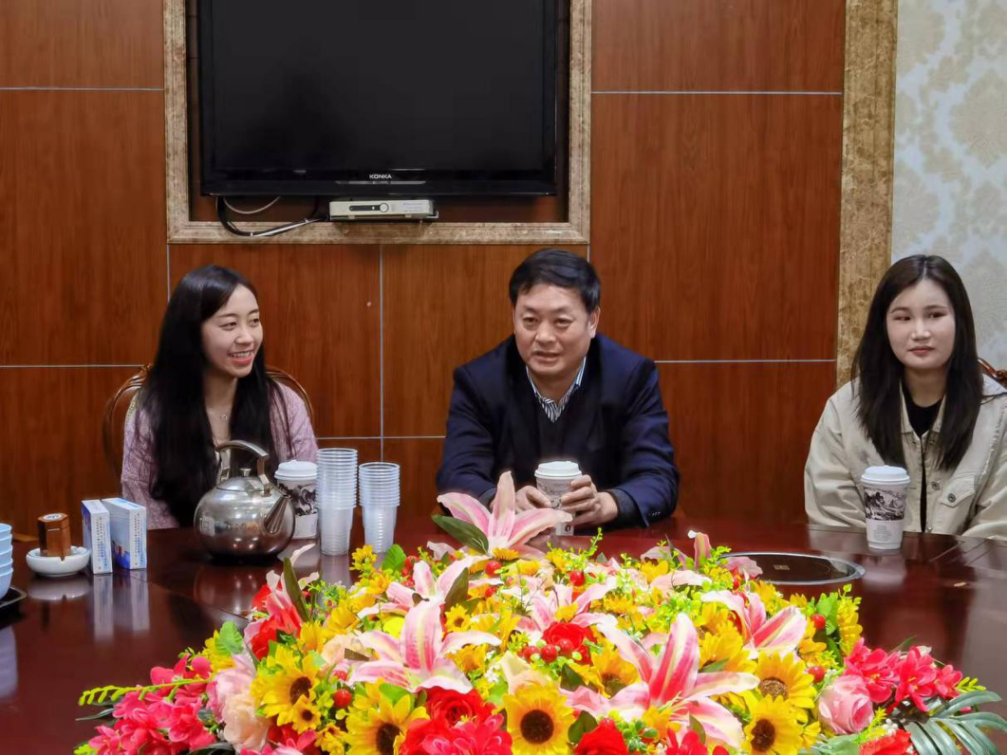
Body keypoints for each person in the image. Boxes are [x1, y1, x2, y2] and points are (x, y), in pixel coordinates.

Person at [436, 249, 679, 530]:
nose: (543, 337)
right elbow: (457, 476)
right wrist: (500, 502)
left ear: (592, 321)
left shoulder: (630, 377)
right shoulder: (480, 382)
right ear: (514, 317)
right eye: (530, 321)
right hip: (510, 544)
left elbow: (658, 478)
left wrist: (608, 504)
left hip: (603, 541)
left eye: (561, 322)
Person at [805, 255, 1007, 538]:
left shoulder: (999, 414)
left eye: (935, 315)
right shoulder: (844, 410)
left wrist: (943, 568)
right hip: (870, 567)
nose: (920, 332)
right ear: (883, 326)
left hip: (970, 568)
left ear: (959, 321)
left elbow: (999, 530)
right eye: (903, 318)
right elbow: (834, 524)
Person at [122, 265, 318, 529]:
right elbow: (148, 521)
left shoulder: (284, 405)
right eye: (230, 325)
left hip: (272, 551)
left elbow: (306, 505)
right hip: (179, 554)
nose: (247, 338)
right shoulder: (151, 416)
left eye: (254, 321)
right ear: (191, 333)